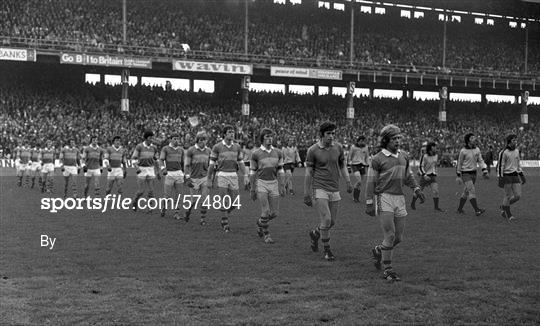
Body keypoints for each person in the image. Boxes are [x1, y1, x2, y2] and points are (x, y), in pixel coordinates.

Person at [366, 124, 425, 282]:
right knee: (390, 235)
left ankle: (378, 250)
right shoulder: (377, 159)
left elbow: (408, 175)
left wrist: (416, 188)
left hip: (399, 198)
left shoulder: (404, 156)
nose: (398, 141)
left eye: (399, 138)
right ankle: (388, 269)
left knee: (398, 238)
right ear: (385, 140)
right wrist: (369, 201)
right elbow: (371, 181)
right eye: (394, 138)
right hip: (384, 197)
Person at [304, 121, 353, 261]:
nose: (331, 136)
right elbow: (308, 173)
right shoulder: (312, 150)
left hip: (335, 188)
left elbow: (343, 166)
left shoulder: (338, 147)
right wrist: (306, 193)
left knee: (331, 222)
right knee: (326, 219)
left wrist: (348, 181)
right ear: (321, 135)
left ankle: (315, 233)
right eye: (328, 134)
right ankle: (327, 250)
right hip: (320, 188)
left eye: (333, 133)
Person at [207, 125, 248, 232]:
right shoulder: (217, 147)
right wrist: (209, 179)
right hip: (222, 175)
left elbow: (241, 162)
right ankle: (225, 222)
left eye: (233, 132)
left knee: (234, 202)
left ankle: (225, 212)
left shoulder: (237, 147)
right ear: (224, 134)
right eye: (230, 132)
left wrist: (245, 175)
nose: (232, 134)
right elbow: (211, 164)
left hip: (234, 175)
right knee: (224, 200)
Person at [250, 128, 285, 244]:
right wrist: (252, 189)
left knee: (274, 213)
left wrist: (282, 185)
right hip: (262, 183)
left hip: (274, 183)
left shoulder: (279, 152)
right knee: (265, 210)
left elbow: (280, 170)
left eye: (271, 136)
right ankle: (267, 235)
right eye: (267, 137)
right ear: (262, 139)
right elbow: (252, 172)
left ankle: (260, 222)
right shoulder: (256, 154)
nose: (270, 139)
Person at [456, 133, 488, 216]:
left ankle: (459, 209)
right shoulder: (463, 151)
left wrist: (484, 170)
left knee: (466, 192)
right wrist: (458, 175)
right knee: (471, 190)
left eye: (474, 137)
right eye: (472, 138)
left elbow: (480, 160)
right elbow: (459, 163)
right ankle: (477, 210)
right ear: (468, 140)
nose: (475, 139)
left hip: (474, 173)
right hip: (465, 173)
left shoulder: (477, 149)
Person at [184, 131, 212, 225]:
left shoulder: (209, 151)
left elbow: (211, 165)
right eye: (201, 139)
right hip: (193, 178)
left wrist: (210, 177)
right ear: (197, 140)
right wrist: (187, 177)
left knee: (204, 199)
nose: (202, 142)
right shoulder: (191, 150)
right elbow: (187, 165)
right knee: (194, 201)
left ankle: (202, 219)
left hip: (204, 177)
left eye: (204, 139)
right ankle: (188, 211)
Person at [497, 134, 525, 220]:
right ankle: (508, 214)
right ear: (509, 142)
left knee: (518, 196)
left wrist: (521, 175)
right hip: (506, 176)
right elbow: (500, 166)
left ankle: (503, 207)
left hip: (515, 175)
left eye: (516, 140)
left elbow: (518, 164)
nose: (516, 142)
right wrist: (500, 177)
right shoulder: (503, 152)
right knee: (507, 195)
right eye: (514, 140)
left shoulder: (516, 151)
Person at [132, 131, 160, 212]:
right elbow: (133, 158)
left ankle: (150, 207)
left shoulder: (154, 147)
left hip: (151, 169)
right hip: (141, 170)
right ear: (146, 138)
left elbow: (156, 160)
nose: (152, 139)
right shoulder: (139, 146)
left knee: (151, 191)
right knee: (141, 191)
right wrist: (137, 167)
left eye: (152, 137)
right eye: (150, 137)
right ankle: (135, 201)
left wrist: (157, 171)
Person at [411, 141, 444, 212]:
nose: (436, 148)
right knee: (419, 192)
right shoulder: (424, 156)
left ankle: (436, 207)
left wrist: (435, 172)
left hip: (433, 177)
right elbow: (420, 166)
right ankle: (413, 203)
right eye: (434, 146)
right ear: (430, 148)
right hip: (425, 177)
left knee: (436, 191)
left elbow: (435, 166)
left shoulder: (436, 155)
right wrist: (424, 175)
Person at [159, 134, 184, 219]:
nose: (176, 140)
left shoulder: (181, 149)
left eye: (178, 139)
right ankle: (164, 208)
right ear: (170, 140)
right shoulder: (165, 149)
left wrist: (185, 173)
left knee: (179, 195)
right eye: (174, 139)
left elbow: (183, 163)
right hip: (169, 174)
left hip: (179, 174)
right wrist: (163, 169)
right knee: (167, 196)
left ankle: (176, 213)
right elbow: (161, 160)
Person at [348, 135, 370, 202]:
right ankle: (355, 197)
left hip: (362, 165)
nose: (363, 142)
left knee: (360, 183)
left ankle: (356, 198)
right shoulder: (353, 147)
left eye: (364, 141)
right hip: (355, 165)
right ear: (358, 141)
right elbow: (349, 157)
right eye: (361, 141)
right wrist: (349, 166)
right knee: (359, 181)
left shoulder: (366, 147)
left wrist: (368, 164)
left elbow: (367, 157)